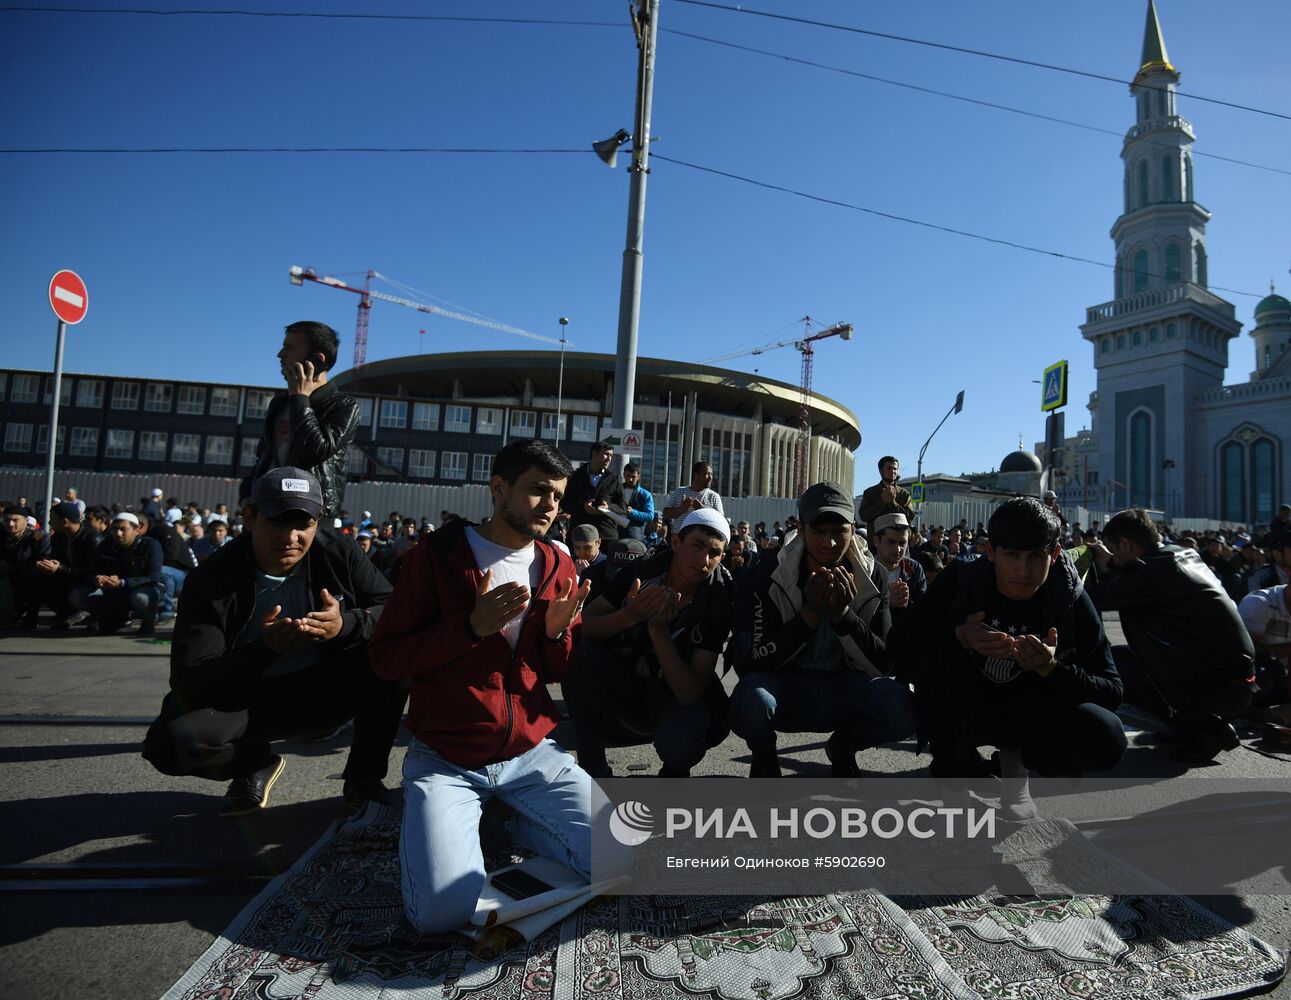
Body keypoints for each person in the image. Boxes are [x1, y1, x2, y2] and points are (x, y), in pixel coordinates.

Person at [367, 439, 600, 935]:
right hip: (448, 757)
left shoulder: (558, 564)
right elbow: (385, 658)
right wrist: (469, 628)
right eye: (538, 491)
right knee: (439, 915)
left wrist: (557, 633)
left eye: (557, 496)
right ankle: (480, 819)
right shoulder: (436, 558)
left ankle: (504, 820)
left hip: (532, 754)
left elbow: (556, 671)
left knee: (626, 859)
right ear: (498, 489)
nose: (551, 507)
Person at [142, 468, 406, 815]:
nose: (291, 537)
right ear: (249, 517)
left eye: (304, 524)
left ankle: (364, 779)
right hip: (248, 699)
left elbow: (394, 609)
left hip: (325, 689)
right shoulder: (211, 579)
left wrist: (345, 624)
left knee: (397, 658)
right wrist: (263, 650)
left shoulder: (337, 551)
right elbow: (191, 680)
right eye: (278, 522)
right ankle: (253, 764)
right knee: (168, 744)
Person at [889, 497, 1126, 815]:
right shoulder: (962, 580)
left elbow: (1111, 690)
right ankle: (954, 784)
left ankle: (1017, 769)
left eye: (1036, 556)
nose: (1023, 571)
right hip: (968, 708)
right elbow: (899, 644)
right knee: (937, 668)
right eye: (1012, 555)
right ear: (990, 552)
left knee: (1106, 735)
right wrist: (959, 637)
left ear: (1055, 555)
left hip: (1032, 711)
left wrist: (1051, 668)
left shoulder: (1068, 596)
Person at [728, 481, 915, 778]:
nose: (829, 544)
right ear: (801, 528)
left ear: (853, 529)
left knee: (903, 706)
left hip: (844, 686)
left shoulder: (872, 575)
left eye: (839, 532)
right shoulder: (769, 572)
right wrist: (810, 615)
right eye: (819, 531)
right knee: (750, 700)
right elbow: (751, 661)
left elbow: (884, 662)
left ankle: (843, 746)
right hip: (786, 687)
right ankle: (764, 754)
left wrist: (843, 614)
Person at [563, 508, 732, 779]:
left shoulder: (719, 598)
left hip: (674, 699)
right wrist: (629, 616)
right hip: (627, 689)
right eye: (697, 546)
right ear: (676, 543)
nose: (704, 559)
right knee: (579, 652)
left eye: (714, 553)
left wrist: (658, 631)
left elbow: (690, 693)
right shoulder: (642, 570)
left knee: (683, 740)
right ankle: (593, 772)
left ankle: (674, 773)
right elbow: (582, 626)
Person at [1086, 508, 1253, 765]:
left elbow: (1096, 597)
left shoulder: (1152, 573)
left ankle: (1212, 729)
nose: (1113, 556)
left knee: (1110, 675)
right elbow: (1133, 580)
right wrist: (1110, 561)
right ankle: (1188, 723)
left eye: (1114, 549)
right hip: (1228, 674)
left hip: (1220, 684)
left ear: (1125, 544)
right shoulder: (1178, 555)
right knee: (1118, 657)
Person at [243, 321, 360, 520]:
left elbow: (315, 451)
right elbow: (265, 455)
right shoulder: (279, 403)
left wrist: (300, 399)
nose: (280, 354)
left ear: (317, 358)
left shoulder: (344, 405)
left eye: (289, 348)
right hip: (267, 510)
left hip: (312, 516)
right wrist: (246, 493)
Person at [70, 512, 164, 635]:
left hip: (142, 589)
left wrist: (122, 583)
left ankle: (148, 621)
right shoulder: (105, 546)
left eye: (123, 529)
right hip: (113, 590)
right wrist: (97, 579)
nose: (118, 534)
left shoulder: (151, 545)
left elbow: (154, 577)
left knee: (141, 598)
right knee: (77, 596)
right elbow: (92, 572)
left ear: (137, 530)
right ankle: (116, 617)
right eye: (114, 529)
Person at [34, 501, 102, 627]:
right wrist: (49, 566)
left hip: (90, 582)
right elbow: (57, 559)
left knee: (77, 594)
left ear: (65, 521)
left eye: (52, 519)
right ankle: (66, 613)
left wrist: (60, 568)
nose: (49, 523)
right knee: (39, 580)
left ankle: (94, 615)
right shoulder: (59, 536)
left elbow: (95, 571)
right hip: (69, 577)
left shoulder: (93, 539)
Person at [561, 440, 626, 543]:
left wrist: (608, 508)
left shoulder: (614, 479)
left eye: (611, 455)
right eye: (606, 454)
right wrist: (583, 507)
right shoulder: (575, 476)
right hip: (579, 535)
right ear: (594, 454)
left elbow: (623, 507)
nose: (609, 459)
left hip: (606, 536)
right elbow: (565, 504)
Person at [1238, 583, 1290, 710]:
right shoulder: (1259, 603)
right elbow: (1238, 649)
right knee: (1269, 675)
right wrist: (1281, 649)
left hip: (1282, 676)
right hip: (1249, 670)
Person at [137, 510, 198, 619]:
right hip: (173, 575)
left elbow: (171, 556)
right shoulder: (149, 534)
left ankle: (166, 610)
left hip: (186, 577)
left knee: (161, 571)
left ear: (140, 526)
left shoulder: (164, 531)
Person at [1, 503, 52, 627]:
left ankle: (31, 616)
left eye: (15, 520)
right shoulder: (2, 535)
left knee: (36, 577)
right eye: (7, 520)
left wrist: (11, 567)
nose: (10, 524)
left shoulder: (39, 537)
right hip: (6, 576)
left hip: (28, 574)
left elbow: (42, 560)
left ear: (26, 521)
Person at [871, 512, 926, 620]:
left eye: (902, 543)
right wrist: (886, 602)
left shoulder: (914, 569)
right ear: (877, 541)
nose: (898, 549)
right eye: (891, 542)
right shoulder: (864, 569)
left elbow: (924, 610)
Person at [857, 456, 914, 541]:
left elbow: (909, 517)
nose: (893, 471)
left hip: (899, 543)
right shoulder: (870, 493)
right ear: (881, 470)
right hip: (875, 544)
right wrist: (882, 502)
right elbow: (863, 516)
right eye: (889, 468)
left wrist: (893, 503)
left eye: (895, 469)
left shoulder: (904, 494)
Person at [662, 462, 724, 535]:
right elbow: (665, 514)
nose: (710, 477)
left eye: (711, 474)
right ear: (696, 475)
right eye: (707, 474)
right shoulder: (679, 492)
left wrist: (703, 511)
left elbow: (721, 521)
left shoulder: (714, 496)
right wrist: (682, 509)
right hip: (680, 540)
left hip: (702, 541)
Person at [620, 462, 656, 542]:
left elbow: (650, 516)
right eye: (627, 476)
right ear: (624, 475)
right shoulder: (616, 490)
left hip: (635, 537)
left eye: (633, 476)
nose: (630, 479)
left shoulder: (645, 495)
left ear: (639, 477)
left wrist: (632, 512)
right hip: (616, 534)